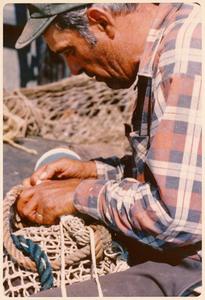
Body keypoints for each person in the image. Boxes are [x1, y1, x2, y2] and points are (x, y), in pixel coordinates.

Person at [14, 3, 202, 297]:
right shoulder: (167, 44)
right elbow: (180, 175)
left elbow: (175, 218)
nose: (73, 69)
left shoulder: (185, 55)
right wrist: (93, 171)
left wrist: (77, 194)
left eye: (68, 52)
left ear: (101, 21)